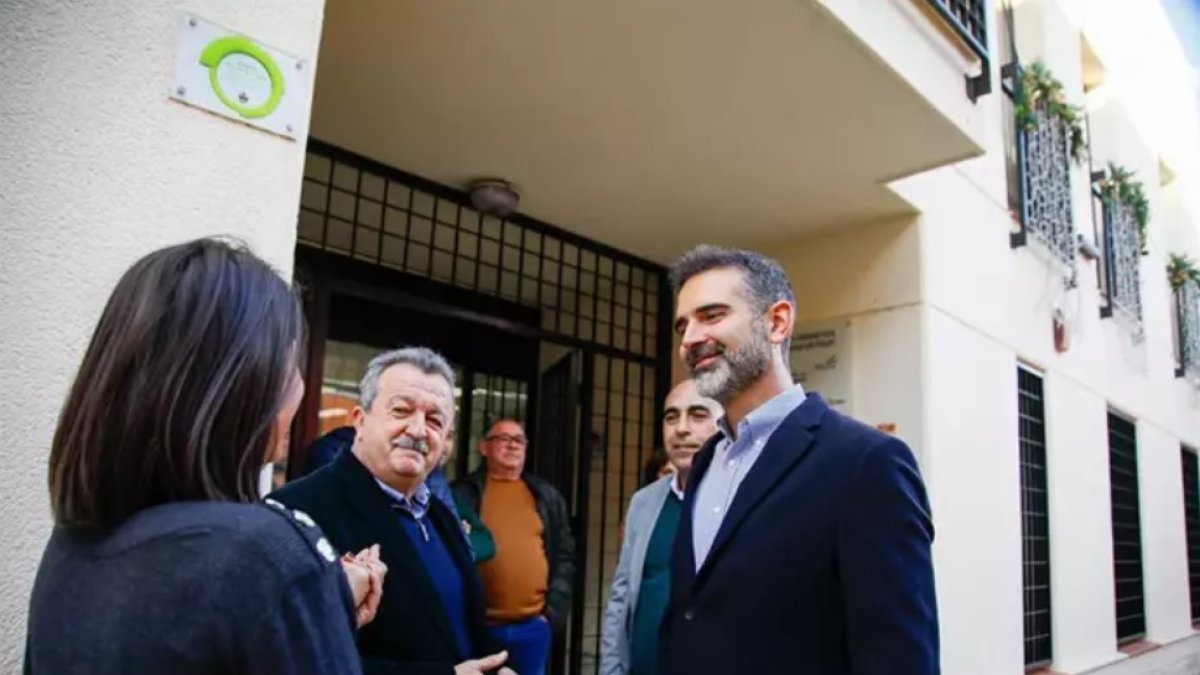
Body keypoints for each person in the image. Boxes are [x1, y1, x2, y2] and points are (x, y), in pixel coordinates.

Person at [24, 238, 384, 675]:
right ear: (243, 381)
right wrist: (304, 595)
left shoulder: (70, 545)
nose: (299, 386)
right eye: (290, 364)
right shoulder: (268, 551)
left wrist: (320, 603)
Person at [659, 245, 939, 675]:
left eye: (712, 315)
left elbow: (899, 659)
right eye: (683, 325)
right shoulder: (704, 463)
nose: (690, 338)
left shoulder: (867, 464)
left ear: (777, 322)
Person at [270, 348, 514, 675]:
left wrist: (498, 667)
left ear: (447, 443)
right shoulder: (296, 512)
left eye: (434, 420)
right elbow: (285, 658)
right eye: (401, 410)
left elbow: (466, 625)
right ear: (360, 420)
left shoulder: (440, 515)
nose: (417, 430)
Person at [600, 380, 721, 675]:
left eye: (697, 415)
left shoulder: (742, 500)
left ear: (725, 425)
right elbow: (622, 595)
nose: (681, 428)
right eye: (671, 417)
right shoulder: (644, 502)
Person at [452, 419, 576, 675]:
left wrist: (550, 615)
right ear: (484, 447)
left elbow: (565, 555)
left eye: (518, 440)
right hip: (479, 628)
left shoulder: (545, 495)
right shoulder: (462, 494)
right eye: (502, 439)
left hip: (533, 627)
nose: (512, 445)